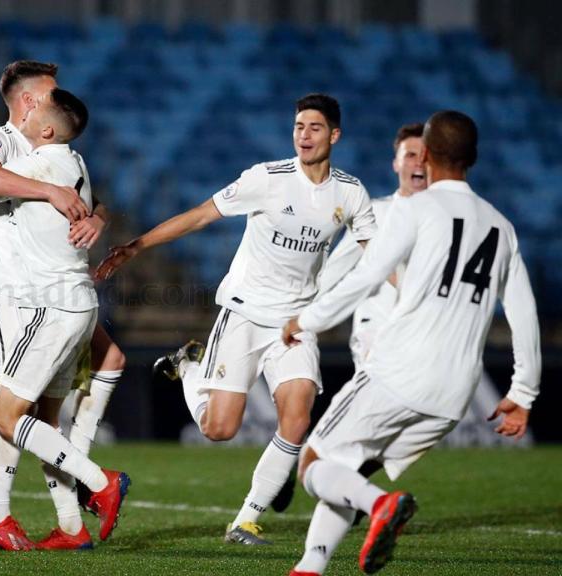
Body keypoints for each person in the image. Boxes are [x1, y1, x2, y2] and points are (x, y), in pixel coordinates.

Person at [95, 94, 375, 545]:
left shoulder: (350, 193)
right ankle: (189, 368)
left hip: (295, 323)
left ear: (334, 135)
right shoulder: (267, 179)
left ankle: (245, 519)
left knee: (297, 418)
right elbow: (201, 215)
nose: (304, 135)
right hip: (245, 312)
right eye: (299, 126)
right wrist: (137, 246)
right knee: (219, 429)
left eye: (314, 127)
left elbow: (377, 255)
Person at [282, 110, 541, 575]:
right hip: (453, 394)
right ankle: (310, 566)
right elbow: (523, 313)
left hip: (397, 371)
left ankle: (382, 506)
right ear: (473, 158)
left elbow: (366, 275)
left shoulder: (415, 208)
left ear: (431, 153)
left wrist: (308, 320)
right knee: (349, 465)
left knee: (315, 462)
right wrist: (522, 394)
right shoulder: (502, 227)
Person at [0, 60, 126, 551]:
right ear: (31, 102)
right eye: (52, 92)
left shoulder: (56, 149)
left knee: (28, 409)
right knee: (14, 405)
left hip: (43, 293)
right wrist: (48, 191)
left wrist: (96, 217)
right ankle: (0, 515)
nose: (57, 97)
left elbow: (95, 198)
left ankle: (69, 525)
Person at [317, 122, 427, 370]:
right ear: (396, 163)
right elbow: (333, 271)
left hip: (427, 338)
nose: (418, 163)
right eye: (410, 155)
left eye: (425, 156)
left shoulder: (448, 221)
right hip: (378, 333)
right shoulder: (375, 212)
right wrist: (299, 318)